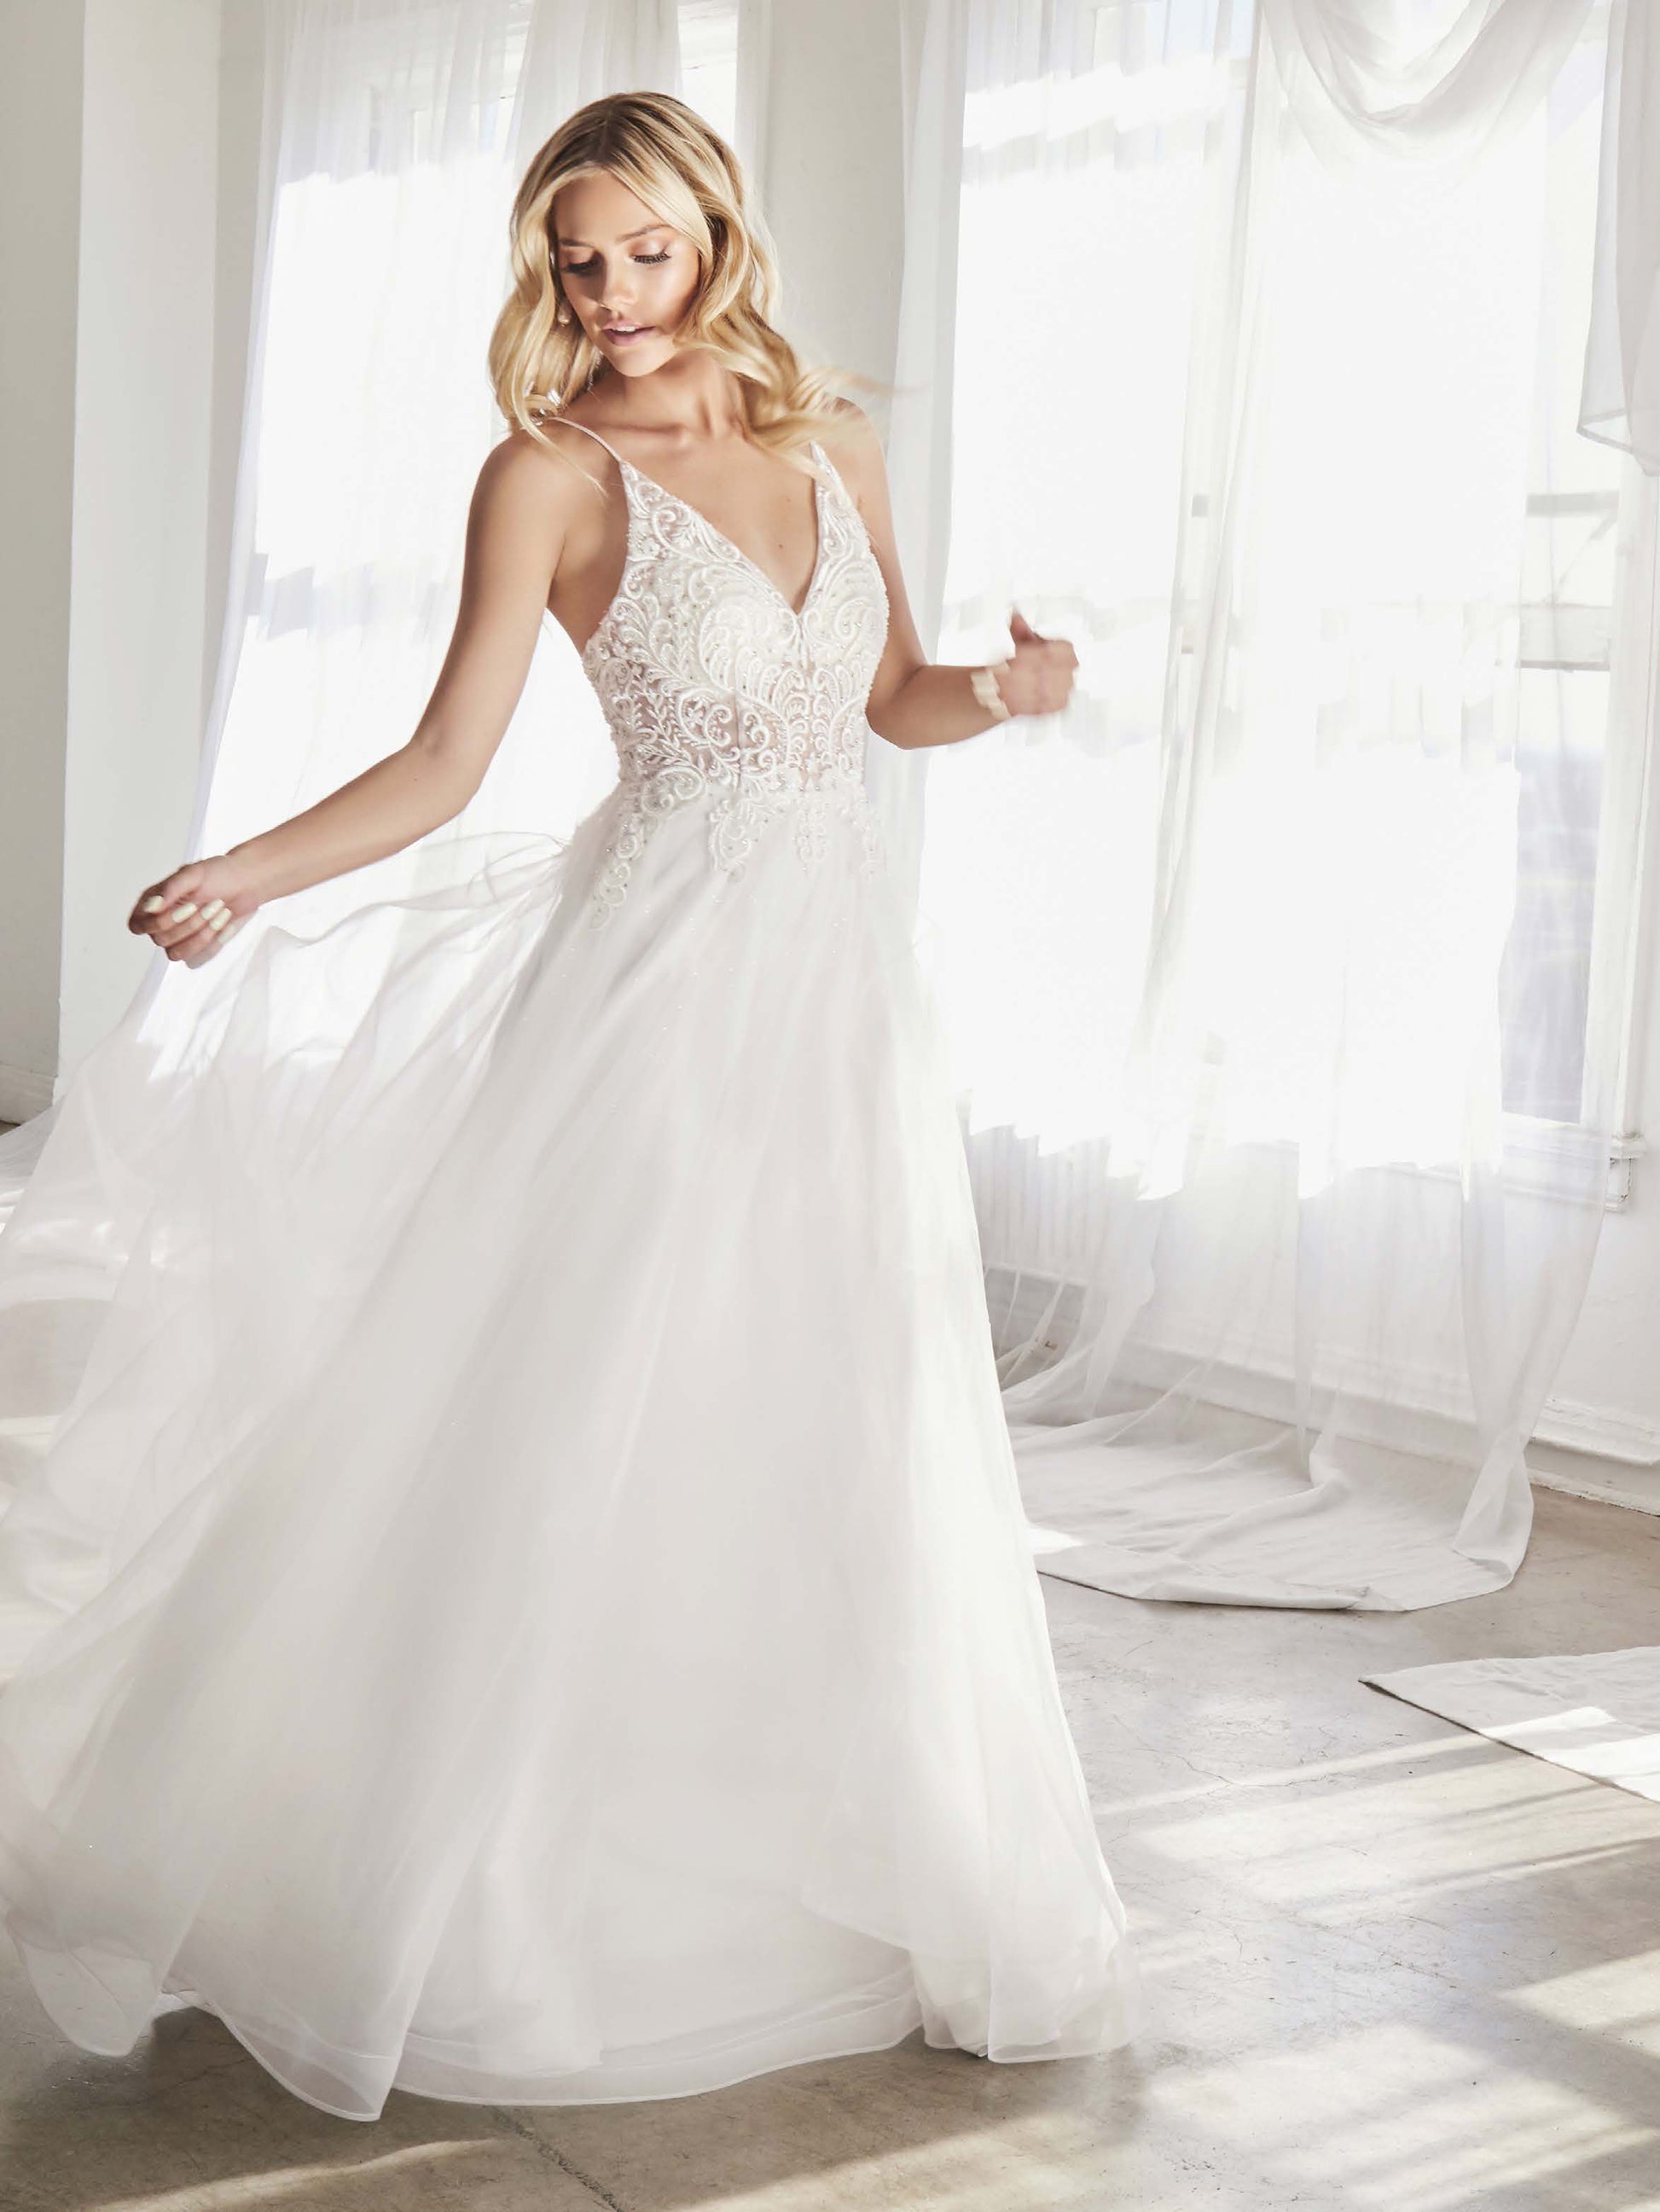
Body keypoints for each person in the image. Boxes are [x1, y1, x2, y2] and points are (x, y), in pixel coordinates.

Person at [0, 90, 1135, 2122]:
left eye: (645, 252)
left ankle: (833, 1838)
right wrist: (246, 871)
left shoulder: (832, 436)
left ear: (717, 237)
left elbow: (887, 702)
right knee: (590, 1404)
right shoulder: (546, 472)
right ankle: (485, 1883)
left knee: (840, 1405)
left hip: (838, 1006)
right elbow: (445, 760)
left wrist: (1003, 689)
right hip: (655, 992)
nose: (609, 293)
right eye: (577, 258)